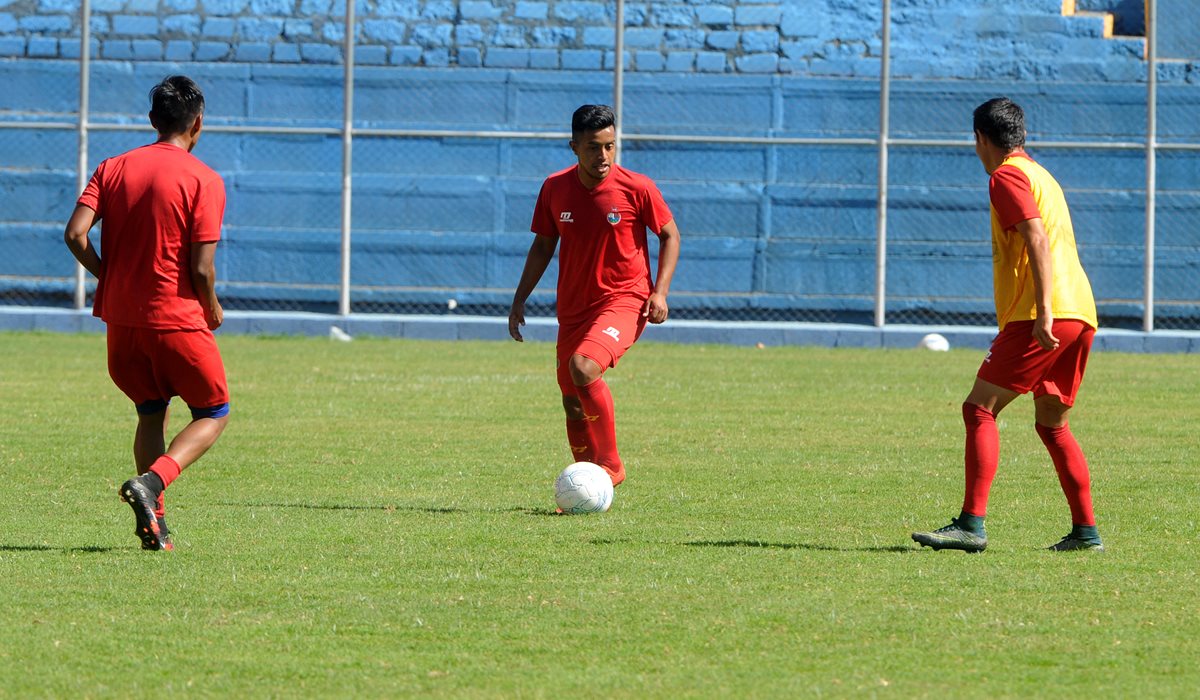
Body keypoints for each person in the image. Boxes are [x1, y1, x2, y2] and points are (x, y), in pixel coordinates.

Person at [912, 97, 1103, 553]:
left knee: (979, 408)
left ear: (980, 138)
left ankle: (970, 526)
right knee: (1052, 424)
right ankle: (1086, 533)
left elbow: (1035, 236)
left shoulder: (1006, 175)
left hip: (1043, 314)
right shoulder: (1043, 175)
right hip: (1081, 312)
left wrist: (1043, 312)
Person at [64, 75, 230, 551]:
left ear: (152, 120)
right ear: (197, 123)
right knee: (213, 412)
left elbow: (75, 233)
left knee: (150, 411)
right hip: (176, 320)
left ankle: (155, 524)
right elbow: (201, 267)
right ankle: (152, 483)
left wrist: (108, 276)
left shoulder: (113, 167)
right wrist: (212, 305)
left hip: (122, 326)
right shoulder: (204, 179)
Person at [508, 104, 681, 489]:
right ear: (574, 147)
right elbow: (542, 245)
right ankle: (586, 488)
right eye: (592, 147)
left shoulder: (638, 188)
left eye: (609, 146)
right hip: (573, 309)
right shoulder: (555, 188)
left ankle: (611, 465)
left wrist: (660, 292)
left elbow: (670, 235)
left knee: (584, 367)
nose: (602, 156)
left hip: (624, 300)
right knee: (572, 400)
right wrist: (519, 299)